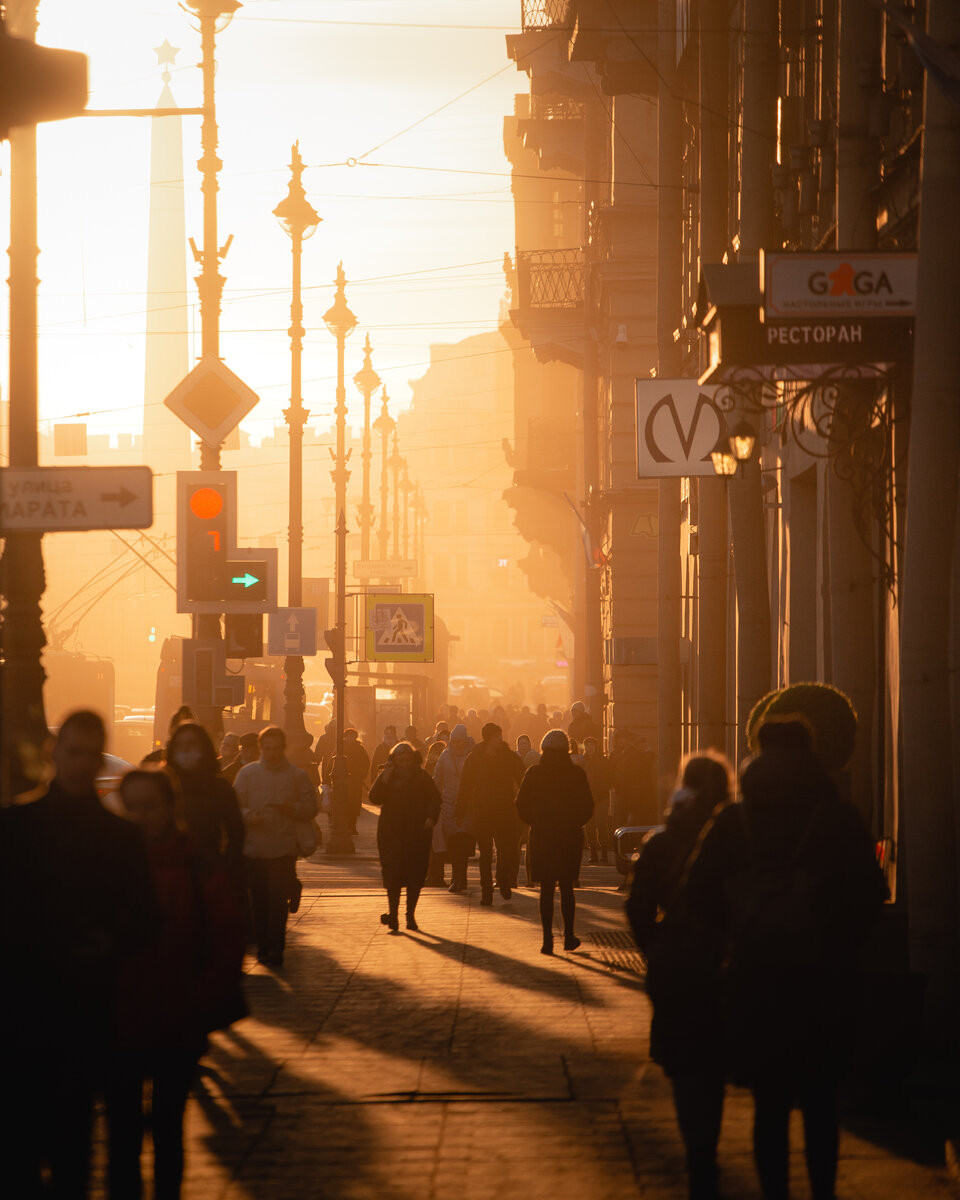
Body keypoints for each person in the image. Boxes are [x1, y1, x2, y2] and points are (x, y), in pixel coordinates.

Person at [689, 717, 887, 1200]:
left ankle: (775, 1192)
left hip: (756, 983)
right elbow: (869, 897)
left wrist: (736, 936)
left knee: (770, 1105)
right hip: (825, 985)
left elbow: (697, 898)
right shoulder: (836, 817)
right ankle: (823, 1192)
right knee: (821, 1104)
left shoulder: (736, 820)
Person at [0, 711, 159, 1197]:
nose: (81, 763)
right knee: (20, 1143)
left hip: (87, 1004)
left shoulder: (121, 836)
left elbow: (147, 919)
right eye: (73, 752)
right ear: (55, 754)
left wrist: (109, 942)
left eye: (91, 754)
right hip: (24, 1004)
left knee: (72, 1140)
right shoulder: (15, 826)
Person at [108, 769, 246, 1200]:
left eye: (150, 805)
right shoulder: (106, 867)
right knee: (122, 1133)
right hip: (119, 1018)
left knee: (168, 1125)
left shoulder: (198, 866)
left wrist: (199, 1001)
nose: (140, 815)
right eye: (130, 806)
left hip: (177, 1016)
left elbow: (226, 940)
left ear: (171, 808)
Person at [626, 752, 734, 1200]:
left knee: (686, 1066)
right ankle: (708, 1141)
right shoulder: (736, 839)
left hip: (675, 968)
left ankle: (699, 1151)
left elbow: (637, 908)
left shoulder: (661, 842)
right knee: (714, 1061)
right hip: (723, 966)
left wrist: (656, 946)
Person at [235, 726, 318, 967]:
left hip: (284, 848)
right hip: (255, 849)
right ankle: (263, 946)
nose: (271, 753)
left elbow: (311, 807)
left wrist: (291, 808)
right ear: (262, 749)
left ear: (283, 749)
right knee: (259, 901)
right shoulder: (247, 774)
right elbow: (235, 807)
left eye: (275, 749)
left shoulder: (297, 776)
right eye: (267, 749)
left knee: (277, 900)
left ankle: (276, 948)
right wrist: (250, 816)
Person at [515, 729, 593, 954]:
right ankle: (568, 936)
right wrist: (575, 822)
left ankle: (547, 939)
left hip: (542, 837)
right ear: (567, 749)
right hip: (569, 837)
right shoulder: (576, 774)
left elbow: (520, 804)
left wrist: (535, 822)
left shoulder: (534, 773)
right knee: (567, 888)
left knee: (546, 889)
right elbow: (588, 805)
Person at [165, 721, 245, 892]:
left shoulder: (219, 787)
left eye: (191, 743)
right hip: (171, 872)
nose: (185, 749)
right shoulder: (163, 786)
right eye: (180, 744)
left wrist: (225, 867)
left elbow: (236, 833)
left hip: (209, 871)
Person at [370, 741, 441, 931]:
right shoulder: (387, 776)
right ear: (394, 760)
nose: (404, 763)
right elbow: (374, 797)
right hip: (391, 834)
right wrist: (384, 779)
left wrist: (430, 817)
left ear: (413, 759)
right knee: (392, 876)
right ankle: (393, 914)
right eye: (400, 760)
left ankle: (410, 915)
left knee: (415, 876)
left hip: (417, 834)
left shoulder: (422, 777)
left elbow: (434, 798)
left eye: (408, 760)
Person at [456, 721, 525, 905]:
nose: (500, 739)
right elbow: (465, 785)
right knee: (485, 854)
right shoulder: (475, 758)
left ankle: (503, 880)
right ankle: (487, 891)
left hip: (505, 810)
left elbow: (523, 779)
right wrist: (459, 810)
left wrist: (522, 804)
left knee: (507, 850)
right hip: (483, 811)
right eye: (496, 736)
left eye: (500, 735)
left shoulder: (509, 757)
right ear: (488, 738)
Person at [432, 724, 474, 893]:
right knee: (454, 843)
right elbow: (437, 778)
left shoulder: (472, 756)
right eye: (454, 742)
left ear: (465, 742)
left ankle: (460, 877)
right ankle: (457, 877)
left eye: (460, 742)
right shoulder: (445, 756)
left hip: (468, 806)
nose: (457, 745)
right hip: (448, 805)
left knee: (463, 843)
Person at [581, 736, 612, 865]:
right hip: (588, 798)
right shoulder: (583, 761)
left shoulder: (603, 761)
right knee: (589, 826)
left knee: (601, 824)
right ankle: (593, 852)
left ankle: (604, 852)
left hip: (602, 797)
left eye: (592, 745)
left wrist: (604, 787)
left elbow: (610, 776)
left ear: (596, 747)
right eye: (587, 745)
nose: (590, 748)